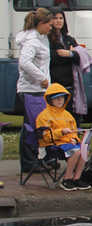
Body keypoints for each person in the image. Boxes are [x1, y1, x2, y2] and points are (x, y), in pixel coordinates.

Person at [36, 83, 88, 190]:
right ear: (50, 100)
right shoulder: (44, 116)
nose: (60, 100)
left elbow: (74, 131)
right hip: (53, 145)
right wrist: (61, 132)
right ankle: (67, 179)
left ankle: (77, 178)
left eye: (62, 98)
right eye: (57, 98)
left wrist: (74, 139)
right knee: (76, 151)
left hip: (68, 143)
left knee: (84, 150)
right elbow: (45, 136)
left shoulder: (67, 115)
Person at [16, 8, 54, 150]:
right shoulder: (32, 41)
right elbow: (24, 62)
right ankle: (28, 161)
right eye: (48, 24)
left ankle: (38, 157)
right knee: (31, 126)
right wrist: (41, 78)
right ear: (41, 23)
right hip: (30, 89)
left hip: (38, 89)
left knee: (38, 124)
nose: (51, 27)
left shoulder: (41, 39)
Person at [48, 9, 81, 111]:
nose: (59, 21)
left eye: (61, 18)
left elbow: (79, 57)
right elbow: (52, 57)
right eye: (55, 18)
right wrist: (68, 56)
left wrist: (69, 54)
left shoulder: (69, 39)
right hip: (55, 83)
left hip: (70, 84)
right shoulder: (47, 38)